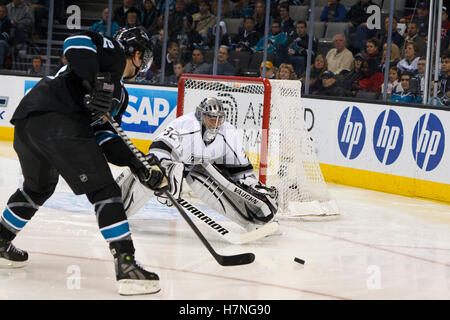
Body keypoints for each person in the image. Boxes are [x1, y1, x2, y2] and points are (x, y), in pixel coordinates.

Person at [0, 27, 168, 296]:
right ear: (136, 54)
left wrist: (140, 166)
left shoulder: (120, 97)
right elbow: (74, 41)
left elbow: (107, 139)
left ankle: (1, 240)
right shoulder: (112, 53)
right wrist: (96, 81)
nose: (143, 64)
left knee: (37, 188)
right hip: (57, 119)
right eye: (143, 57)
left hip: (29, 123)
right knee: (105, 190)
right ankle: (127, 267)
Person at [122, 97, 278, 232]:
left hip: (195, 171)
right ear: (201, 116)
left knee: (203, 172)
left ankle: (251, 221)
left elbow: (241, 172)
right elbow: (157, 150)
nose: (216, 123)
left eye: (219, 118)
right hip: (169, 166)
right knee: (147, 173)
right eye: (211, 118)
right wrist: (162, 173)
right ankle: (118, 210)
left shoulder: (228, 133)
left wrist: (254, 188)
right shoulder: (185, 125)